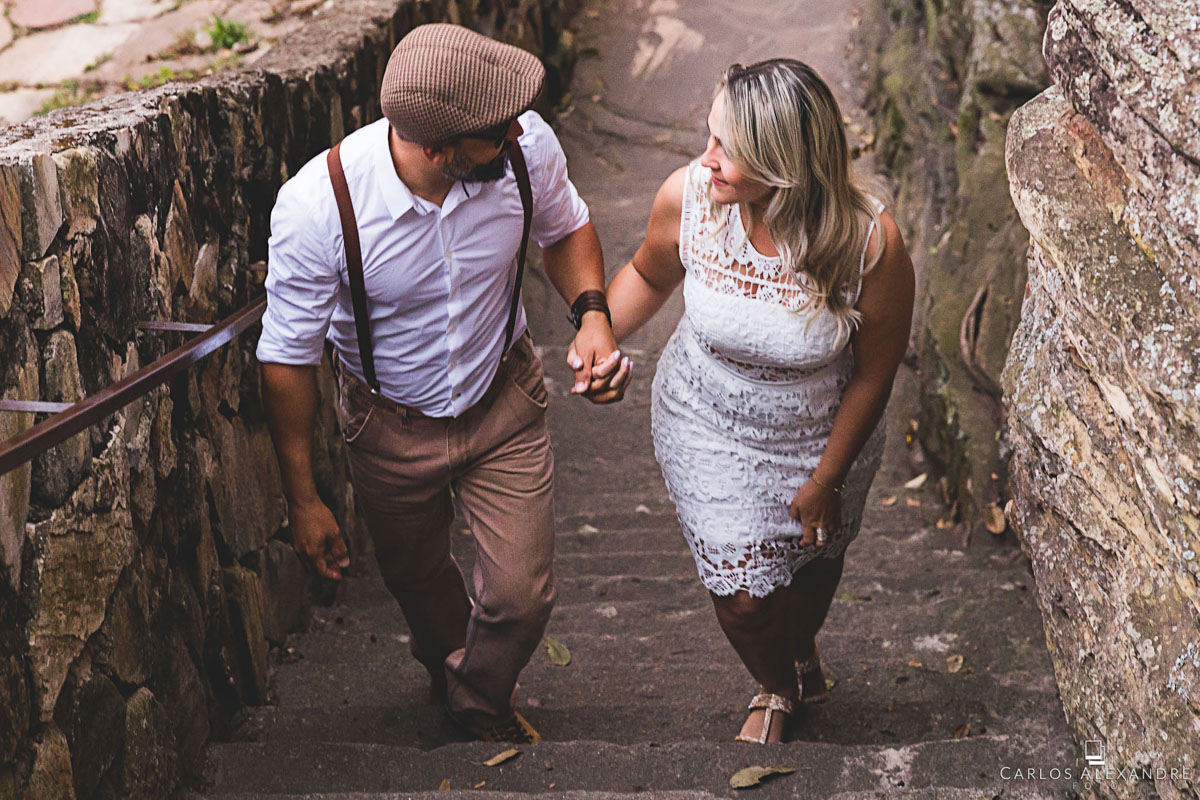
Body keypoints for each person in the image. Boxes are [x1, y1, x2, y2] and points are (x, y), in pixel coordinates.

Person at [256, 23, 625, 744]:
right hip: (389, 427)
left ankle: (475, 703)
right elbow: (288, 360)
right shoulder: (319, 206)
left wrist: (593, 316)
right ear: (436, 149)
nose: (517, 133)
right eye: (497, 131)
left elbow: (567, 230)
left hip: (503, 402)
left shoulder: (524, 149)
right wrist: (303, 500)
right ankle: (452, 667)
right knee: (420, 584)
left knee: (520, 597)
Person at [571, 59, 914, 743]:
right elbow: (647, 271)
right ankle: (776, 684)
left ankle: (800, 647)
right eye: (711, 137)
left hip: (822, 434)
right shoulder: (689, 196)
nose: (708, 159)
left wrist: (828, 478)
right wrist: (597, 327)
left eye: (729, 149)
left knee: (813, 563)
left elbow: (875, 374)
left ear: (786, 164)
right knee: (747, 598)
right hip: (706, 419)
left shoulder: (869, 244)